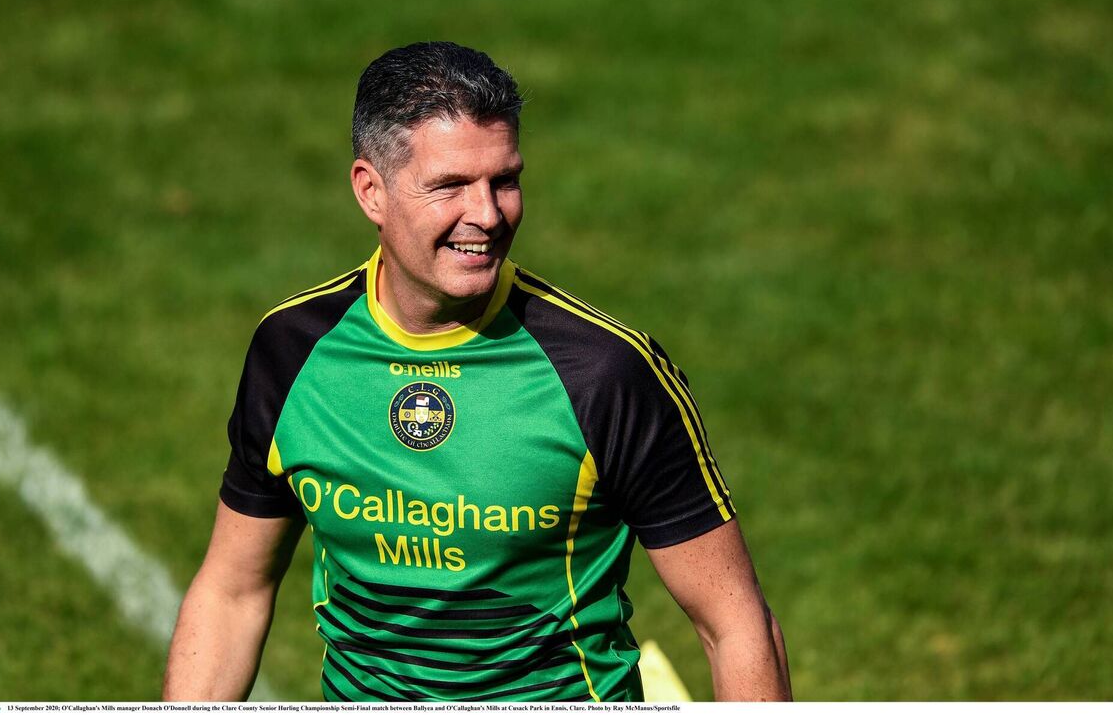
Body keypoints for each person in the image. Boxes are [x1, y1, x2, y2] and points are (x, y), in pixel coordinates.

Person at [163, 41, 791, 703]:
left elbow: (736, 624)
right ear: (370, 190)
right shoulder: (291, 353)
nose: (488, 215)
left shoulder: (603, 373)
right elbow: (234, 591)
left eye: (506, 180)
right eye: (451, 186)